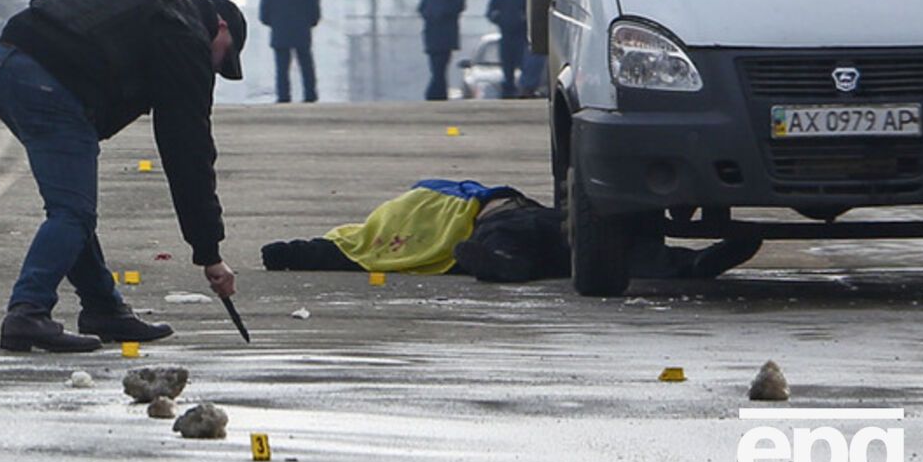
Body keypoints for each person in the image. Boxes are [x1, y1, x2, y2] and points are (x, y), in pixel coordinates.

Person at [0, 0, 247, 353]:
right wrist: (209, 253)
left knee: (71, 207)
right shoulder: (185, 36)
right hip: (50, 86)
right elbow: (187, 151)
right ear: (221, 27)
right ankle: (27, 312)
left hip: (4, 65)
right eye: (223, 59)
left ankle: (103, 308)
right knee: (72, 212)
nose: (215, 68)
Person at [261, 182, 762, 283]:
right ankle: (688, 264)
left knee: (518, 246)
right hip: (523, 216)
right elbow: (331, 250)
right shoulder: (405, 207)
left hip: (503, 221)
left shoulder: (366, 234)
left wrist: (283, 253)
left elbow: (332, 251)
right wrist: (283, 253)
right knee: (602, 253)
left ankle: (500, 264)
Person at [258, 0, 321, 103]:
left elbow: (264, 8)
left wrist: (270, 22)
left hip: (280, 30)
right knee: (306, 65)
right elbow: (314, 8)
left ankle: (283, 96)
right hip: (302, 31)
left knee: (282, 67)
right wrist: (312, 23)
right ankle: (310, 95)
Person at [417, 0, 466, 100]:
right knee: (435, 68)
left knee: (440, 67)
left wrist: (442, 14)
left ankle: (433, 94)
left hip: (445, 35)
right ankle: (439, 95)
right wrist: (428, 15)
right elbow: (422, 7)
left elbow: (459, 5)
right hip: (431, 35)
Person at [485, 0, 527, 99]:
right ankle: (508, 89)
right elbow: (490, 10)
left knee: (523, 62)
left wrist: (523, 18)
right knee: (507, 63)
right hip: (505, 33)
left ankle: (524, 88)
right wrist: (496, 17)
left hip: (522, 34)